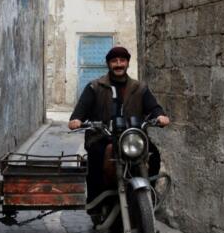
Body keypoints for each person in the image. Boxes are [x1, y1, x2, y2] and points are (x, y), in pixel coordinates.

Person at [68, 46, 170, 207]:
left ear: (127, 63)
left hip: (131, 137)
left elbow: (153, 106)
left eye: (122, 60)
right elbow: (80, 110)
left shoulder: (139, 88)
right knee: (95, 157)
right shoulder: (95, 87)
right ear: (108, 64)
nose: (118, 64)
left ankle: (148, 193)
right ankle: (95, 203)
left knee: (153, 154)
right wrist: (76, 120)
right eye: (114, 61)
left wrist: (160, 115)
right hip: (101, 136)